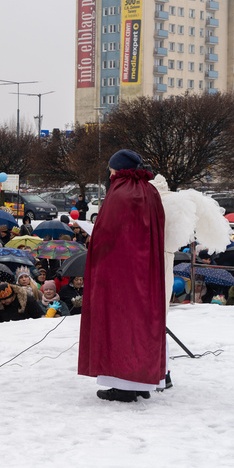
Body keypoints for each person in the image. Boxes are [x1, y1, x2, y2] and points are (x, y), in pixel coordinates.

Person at [79, 149, 166, 403]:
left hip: (120, 272)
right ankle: (142, 382)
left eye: (111, 168)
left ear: (118, 169)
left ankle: (123, 385)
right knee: (141, 322)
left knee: (121, 323)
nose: (110, 172)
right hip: (145, 271)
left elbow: (108, 234)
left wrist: (94, 245)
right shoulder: (149, 191)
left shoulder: (120, 193)